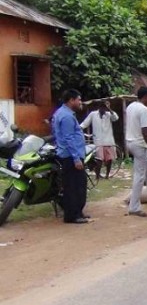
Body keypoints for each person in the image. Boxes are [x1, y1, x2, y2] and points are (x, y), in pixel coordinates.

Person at [52, 89, 88, 224]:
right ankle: (72, 215)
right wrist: (76, 158)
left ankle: (77, 212)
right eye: (78, 99)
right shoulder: (66, 116)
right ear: (71, 100)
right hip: (71, 156)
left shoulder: (61, 113)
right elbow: (69, 138)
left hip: (68, 154)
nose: (80, 102)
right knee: (75, 186)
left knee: (75, 184)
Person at [125, 87, 147, 217]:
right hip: (139, 143)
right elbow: (145, 131)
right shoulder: (144, 109)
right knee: (139, 175)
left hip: (130, 141)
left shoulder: (130, 106)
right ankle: (134, 207)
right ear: (146, 96)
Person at [80, 100, 119, 180]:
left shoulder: (108, 114)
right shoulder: (93, 114)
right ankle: (97, 176)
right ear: (99, 107)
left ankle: (107, 175)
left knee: (109, 159)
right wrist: (78, 128)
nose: (104, 110)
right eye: (103, 108)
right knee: (99, 160)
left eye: (105, 108)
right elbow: (85, 123)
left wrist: (110, 109)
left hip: (108, 140)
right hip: (98, 141)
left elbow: (115, 118)